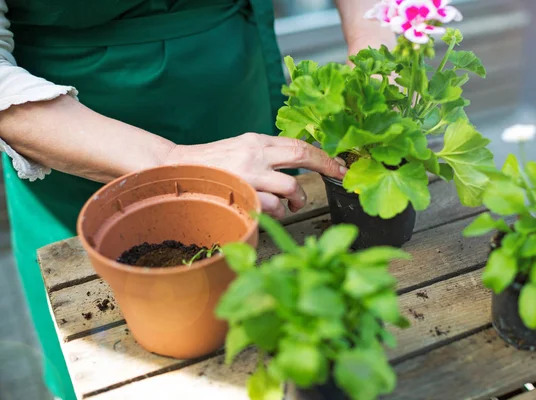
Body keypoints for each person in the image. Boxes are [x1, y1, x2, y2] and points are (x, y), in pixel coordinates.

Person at [0, 0, 395, 398]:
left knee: (272, 260)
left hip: (236, 94)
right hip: (78, 146)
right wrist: (171, 161)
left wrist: (372, 43)